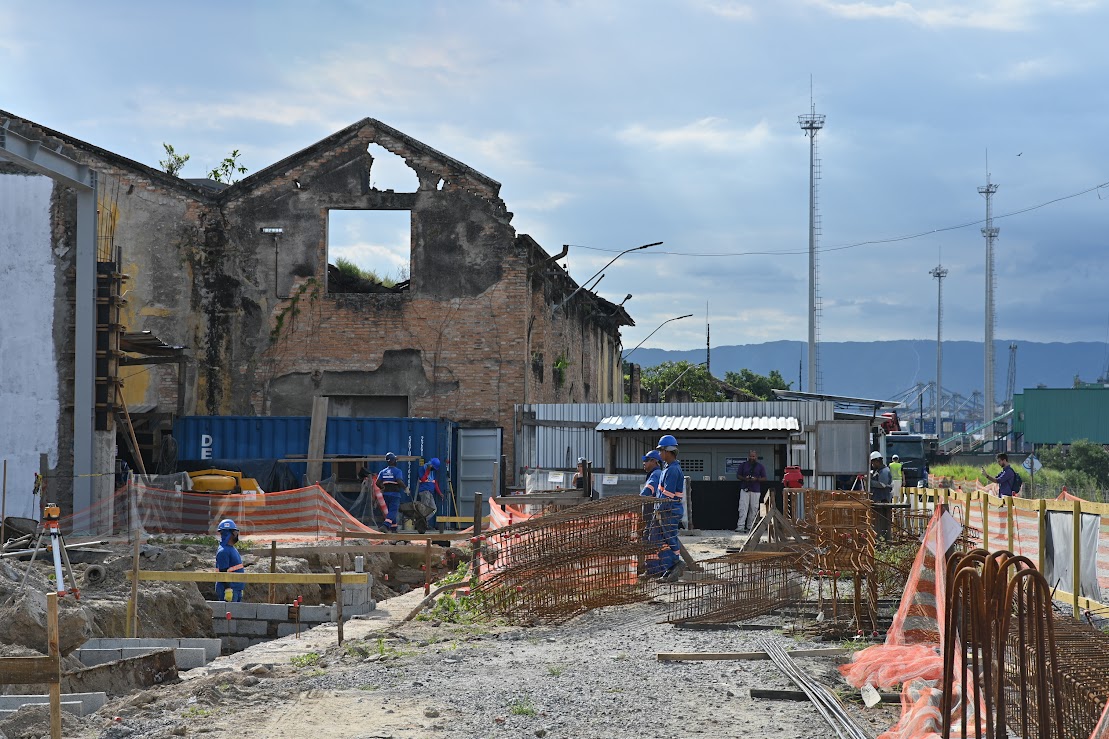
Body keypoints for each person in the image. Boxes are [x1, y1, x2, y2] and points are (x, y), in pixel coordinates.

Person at [655, 435, 686, 583]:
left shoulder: (672, 470)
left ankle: (675, 565)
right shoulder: (668, 468)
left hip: (670, 510)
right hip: (669, 509)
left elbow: (667, 495)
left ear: (668, 451)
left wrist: (658, 509)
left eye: (661, 450)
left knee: (669, 540)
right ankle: (670, 568)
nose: (659, 454)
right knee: (666, 540)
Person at [640, 450, 665, 575]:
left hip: (654, 515)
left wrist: (638, 498)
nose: (643, 463)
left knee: (652, 542)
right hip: (653, 514)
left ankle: (654, 570)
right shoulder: (655, 473)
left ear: (654, 461)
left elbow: (648, 491)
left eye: (646, 460)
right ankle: (656, 569)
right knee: (652, 541)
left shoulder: (656, 474)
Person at [735, 450, 767, 534]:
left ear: (756, 457)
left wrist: (756, 479)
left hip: (755, 489)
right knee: (743, 508)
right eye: (751, 456)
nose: (752, 458)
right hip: (745, 488)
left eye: (753, 456)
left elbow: (764, 478)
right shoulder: (743, 465)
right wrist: (745, 479)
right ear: (748, 456)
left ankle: (750, 526)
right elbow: (738, 475)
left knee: (754, 508)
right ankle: (740, 526)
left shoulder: (760, 466)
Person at [215, 519, 245, 602]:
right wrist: (228, 589)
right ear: (230, 533)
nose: (237, 534)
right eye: (235, 532)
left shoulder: (231, 549)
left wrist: (240, 587)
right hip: (230, 591)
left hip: (236, 589)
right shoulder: (223, 551)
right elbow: (223, 572)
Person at [376, 452, 408, 532]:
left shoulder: (383, 471)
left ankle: (394, 527)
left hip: (385, 494)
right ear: (394, 461)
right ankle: (385, 525)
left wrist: (382, 487)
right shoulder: (398, 471)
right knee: (393, 511)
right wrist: (405, 488)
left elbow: (377, 482)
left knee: (390, 511)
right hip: (395, 494)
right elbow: (399, 481)